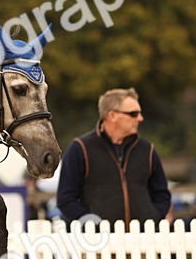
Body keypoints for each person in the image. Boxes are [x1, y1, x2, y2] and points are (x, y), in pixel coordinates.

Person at [56, 88, 172, 226]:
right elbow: (66, 199)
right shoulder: (80, 149)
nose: (140, 118)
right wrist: (91, 223)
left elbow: (162, 195)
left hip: (141, 240)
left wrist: (153, 216)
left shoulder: (147, 150)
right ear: (112, 116)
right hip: (97, 242)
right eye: (133, 114)